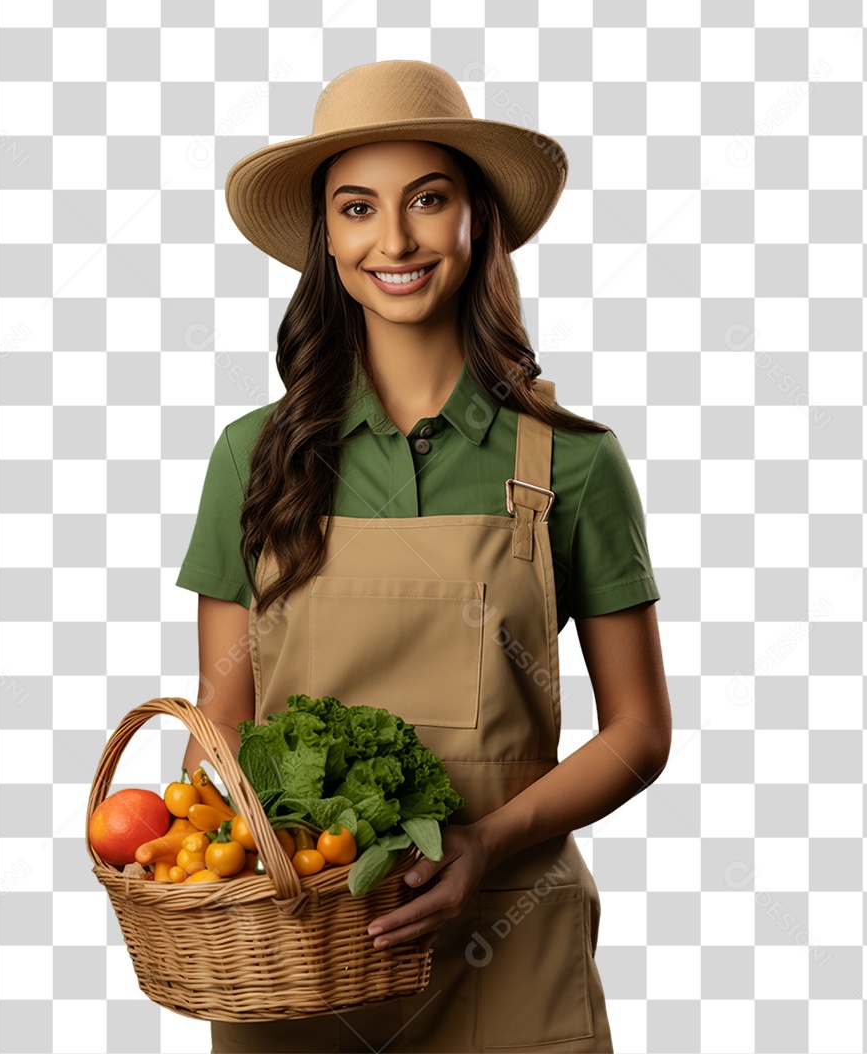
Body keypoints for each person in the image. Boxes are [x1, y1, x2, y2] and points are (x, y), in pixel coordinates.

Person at [174, 59, 671, 1054]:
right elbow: (217, 726)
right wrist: (229, 855)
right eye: (357, 208)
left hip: (512, 952)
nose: (393, 239)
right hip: (305, 958)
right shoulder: (255, 458)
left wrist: (484, 842)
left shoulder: (570, 463)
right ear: (326, 238)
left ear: (476, 219)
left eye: (427, 201)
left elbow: (639, 732)